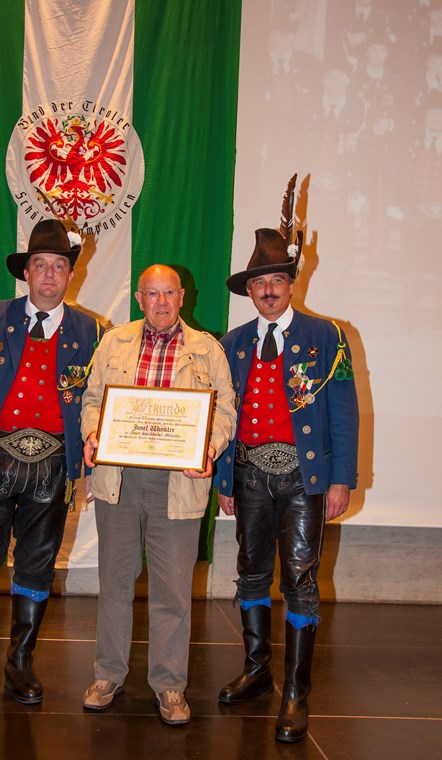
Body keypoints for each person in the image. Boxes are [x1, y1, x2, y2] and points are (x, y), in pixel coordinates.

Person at [0, 219, 102, 710]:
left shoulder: (89, 329)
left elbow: (97, 402)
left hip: (53, 467)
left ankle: (20, 665)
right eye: (40, 266)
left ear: (70, 274)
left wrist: (89, 467)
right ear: (26, 272)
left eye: (58, 267)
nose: (49, 276)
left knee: (36, 565)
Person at [215, 180, 359, 743]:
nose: (268, 290)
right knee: (251, 572)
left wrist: (340, 479)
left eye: (276, 280)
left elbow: (343, 413)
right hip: (248, 473)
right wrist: (225, 478)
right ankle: (257, 669)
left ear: (291, 284)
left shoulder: (329, 338)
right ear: (249, 291)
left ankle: (296, 693)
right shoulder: (233, 344)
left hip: (304, 478)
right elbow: (225, 417)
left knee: (299, 579)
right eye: (258, 283)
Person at [80, 264, 236, 725]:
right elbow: (92, 400)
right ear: (138, 297)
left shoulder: (208, 349)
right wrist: (92, 433)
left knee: (172, 593)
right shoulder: (113, 342)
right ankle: (107, 674)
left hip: (179, 485)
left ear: (182, 296)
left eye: (169, 293)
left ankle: (170, 686)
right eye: (152, 294)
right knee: (115, 585)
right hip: (121, 480)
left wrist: (209, 446)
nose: (162, 302)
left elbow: (225, 408)